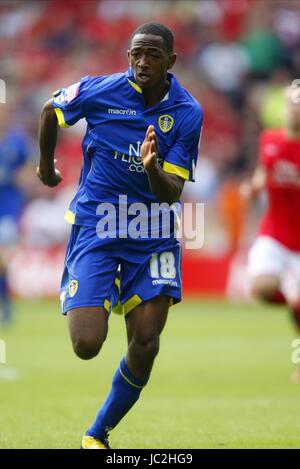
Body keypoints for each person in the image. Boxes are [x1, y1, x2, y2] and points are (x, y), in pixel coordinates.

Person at [37, 23, 203, 449]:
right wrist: (46, 166)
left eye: (152, 54)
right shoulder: (100, 91)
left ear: (171, 61)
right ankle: (104, 281)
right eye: (135, 53)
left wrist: (151, 168)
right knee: (86, 345)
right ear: (128, 56)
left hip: (153, 236)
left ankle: (97, 434)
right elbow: (49, 111)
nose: (142, 62)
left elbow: (173, 193)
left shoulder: (187, 113)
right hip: (98, 225)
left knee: (146, 345)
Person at [241, 85, 300, 383]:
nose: (294, 109)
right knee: (262, 287)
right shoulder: (270, 139)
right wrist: (253, 187)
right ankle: (293, 299)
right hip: (275, 233)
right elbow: (264, 172)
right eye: (291, 103)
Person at [0, 105, 30, 325]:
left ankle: (6, 307)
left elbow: (28, 171)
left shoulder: (16, 141)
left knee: (2, 260)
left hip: (8, 210)